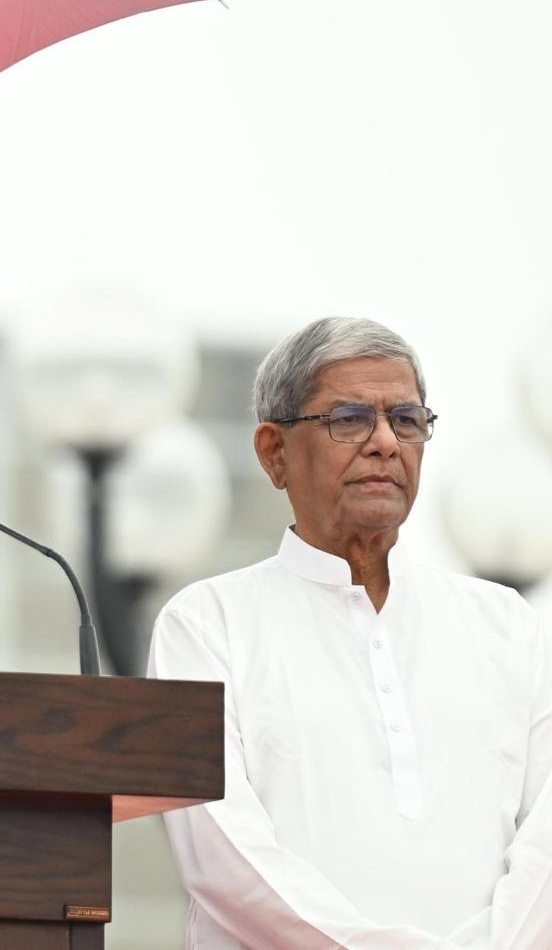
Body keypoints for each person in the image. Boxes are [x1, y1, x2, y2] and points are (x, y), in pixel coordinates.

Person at [148, 317, 552, 948]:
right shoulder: (207, 625)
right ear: (273, 452)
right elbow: (223, 860)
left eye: (408, 420)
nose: (386, 443)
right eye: (350, 419)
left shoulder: (508, 627)